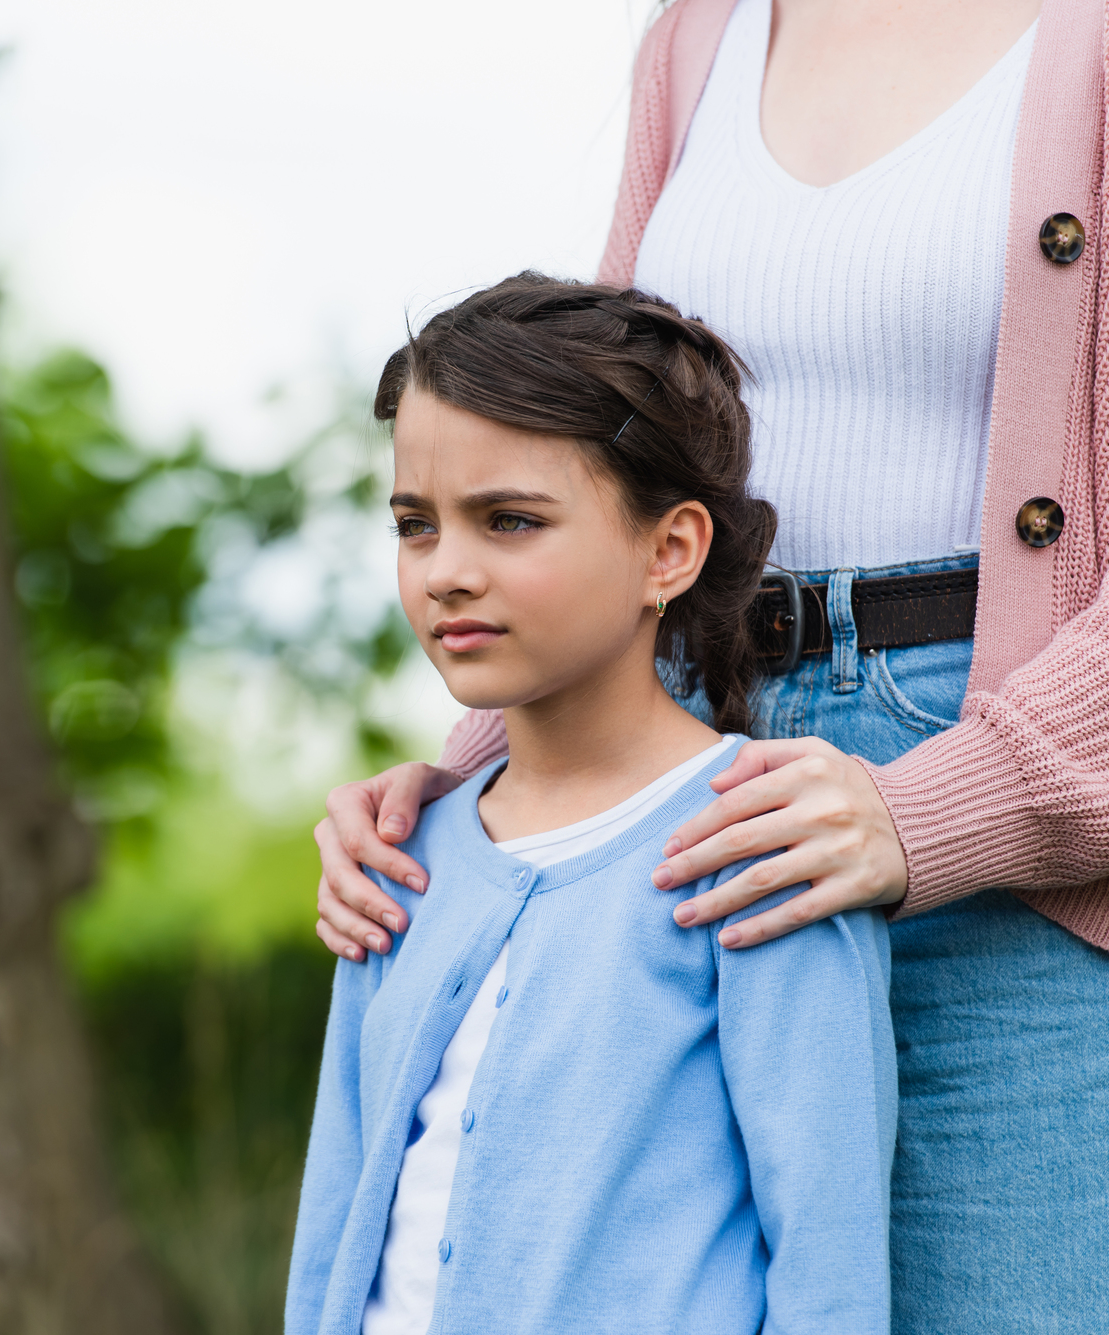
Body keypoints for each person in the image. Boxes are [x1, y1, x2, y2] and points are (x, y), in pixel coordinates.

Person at [313, 0, 1109, 1329]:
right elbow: (603, 495)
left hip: (1043, 875)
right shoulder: (697, 37)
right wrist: (466, 799)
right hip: (705, 833)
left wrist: (927, 809)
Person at [286, 276, 899, 1335]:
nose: (446, 573)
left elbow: (826, 1263)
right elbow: (333, 1216)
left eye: (508, 521)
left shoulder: (760, 844)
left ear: (668, 552)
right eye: (414, 525)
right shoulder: (396, 855)